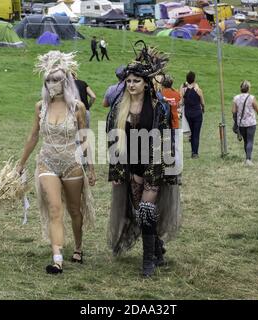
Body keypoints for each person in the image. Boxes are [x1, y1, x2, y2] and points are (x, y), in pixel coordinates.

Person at [16, 51, 96, 274]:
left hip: (72, 163)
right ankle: (57, 259)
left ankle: (78, 247)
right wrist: (21, 163)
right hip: (47, 162)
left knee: (74, 210)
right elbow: (33, 136)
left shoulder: (77, 107)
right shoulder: (40, 107)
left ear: (66, 82)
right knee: (54, 208)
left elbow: (83, 137)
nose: (52, 84)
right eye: (48, 80)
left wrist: (90, 168)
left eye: (56, 79)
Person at [106, 41, 181, 277]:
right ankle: (157, 249)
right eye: (128, 81)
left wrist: (167, 169)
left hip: (154, 164)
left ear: (146, 83)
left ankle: (147, 262)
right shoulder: (120, 106)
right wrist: (117, 172)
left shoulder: (159, 107)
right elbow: (113, 139)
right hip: (132, 165)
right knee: (140, 213)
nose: (131, 85)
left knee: (147, 209)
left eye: (136, 81)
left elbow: (166, 138)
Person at [232, 80, 258, 166]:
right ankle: (248, 159)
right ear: (248, 89)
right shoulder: (252, 98)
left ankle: (247, 157)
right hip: (251, 123)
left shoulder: (236, 98)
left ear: (240, 88)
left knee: (245, 141)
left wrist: (236, 122)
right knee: (250, 141)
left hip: (241, 124)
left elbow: (233, 111)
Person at [180, 71, 205, 159]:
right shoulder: (198, 90)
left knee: (192, 133)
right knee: (196, 133)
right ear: (194, 79)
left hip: (188, 113)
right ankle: (195, 153)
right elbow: (202, 102)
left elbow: (181, 102)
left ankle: (192, 151)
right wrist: (203, 109)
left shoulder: (183, 90)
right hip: (197, 113)